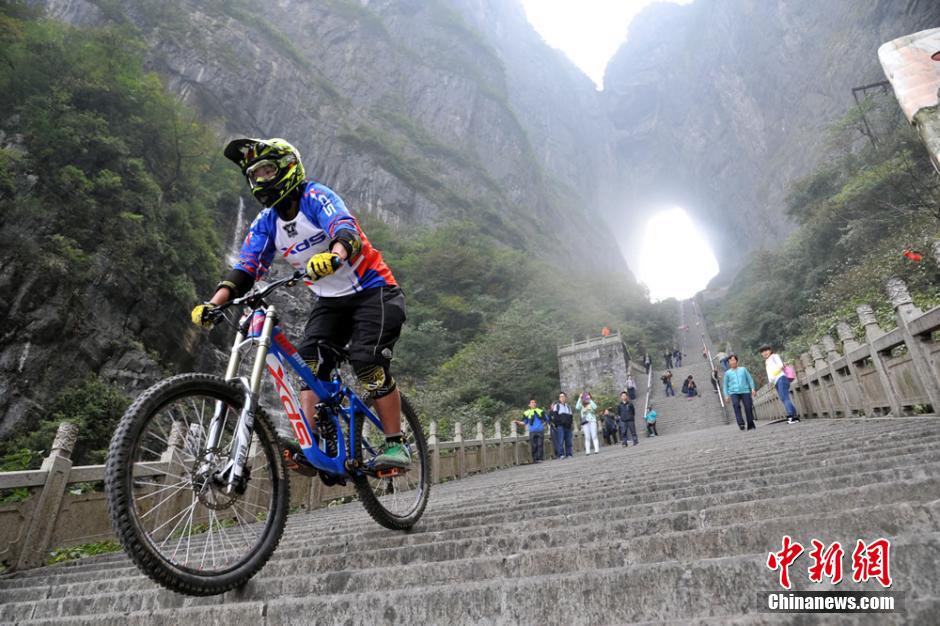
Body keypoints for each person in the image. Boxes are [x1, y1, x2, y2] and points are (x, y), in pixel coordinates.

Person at [192, 137, 409, 470]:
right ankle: (312, 445)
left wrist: (335, 256)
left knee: (367, 361)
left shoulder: (315, 196)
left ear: (288, 167)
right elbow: (246, 267)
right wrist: (214, 303)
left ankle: (397, 444)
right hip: (330, 301)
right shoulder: (266, 221)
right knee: (307, 366)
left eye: (267, 170)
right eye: (254, 175)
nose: (261, 180)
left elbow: (344, 227)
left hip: (374, 292)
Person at [760, 344, 800, 424]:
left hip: (781, 378)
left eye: (766, 350)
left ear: (770, 350)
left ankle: (791, 416)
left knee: (785, 398)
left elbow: (781, 365)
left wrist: (775, 374)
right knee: (784, 398)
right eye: (763, 351)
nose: (765, 353)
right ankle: (795, 416)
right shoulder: (767, 361)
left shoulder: (774, 356)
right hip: (776, 381)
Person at [722, 354, 757, 430]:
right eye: (730, 360)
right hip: (734, 392)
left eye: (734, 360)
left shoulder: (743, 369)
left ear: (737, 361)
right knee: (736, 405)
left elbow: (750, 379)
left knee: (748, 407)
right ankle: (741, 423)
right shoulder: (727, 373)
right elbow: (725, 386)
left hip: (745, 391)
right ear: (728, 363)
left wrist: (753, 389)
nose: (732, 362)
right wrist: (726, 395)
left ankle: (750, 424)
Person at [513, 399, 547, 463]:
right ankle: (534, 459)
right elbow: (524, 422)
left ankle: (539, 458)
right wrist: (517, 422)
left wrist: (543, 425)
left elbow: (546, 419)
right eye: (531, 402)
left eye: (534, 402)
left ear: (536, 404)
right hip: (532, 431)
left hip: (540, 430)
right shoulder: (527, 413)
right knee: (534, 445)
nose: (533, 403)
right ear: (529, 405)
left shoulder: (540, 411)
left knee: (540, 444)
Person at [549, 392, 574, 458]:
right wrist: (559, 424)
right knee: (560, 440)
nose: (562, 398)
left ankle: (569, 454)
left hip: (568, 427)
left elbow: (571, 416)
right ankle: (561, 454)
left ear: (565, 398)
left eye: (563, 396)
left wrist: (570, 424)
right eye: (560, 397)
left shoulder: (568, 406)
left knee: (568, 440)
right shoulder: (556, 406)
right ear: (559, 398)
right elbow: (555, 416)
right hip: (560, 426)